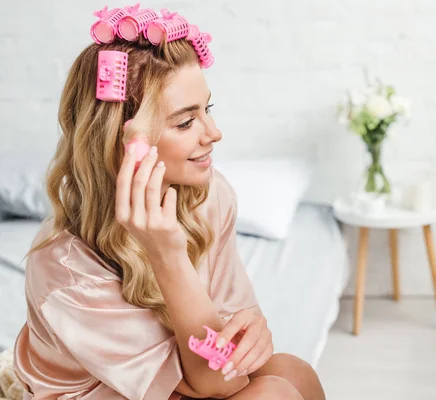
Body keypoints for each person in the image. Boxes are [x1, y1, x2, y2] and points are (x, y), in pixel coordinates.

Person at [12, 5, 325, 400]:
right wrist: (169, 254)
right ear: (119, 144)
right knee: (273, 394)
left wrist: (251, 332)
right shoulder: (66, 268)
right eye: (185, 122)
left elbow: (230, 342)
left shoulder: (210, 196)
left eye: (206, 109)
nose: (214, 133)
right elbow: (219, 380)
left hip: (184, 376)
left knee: (292, 372)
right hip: (104, 393)